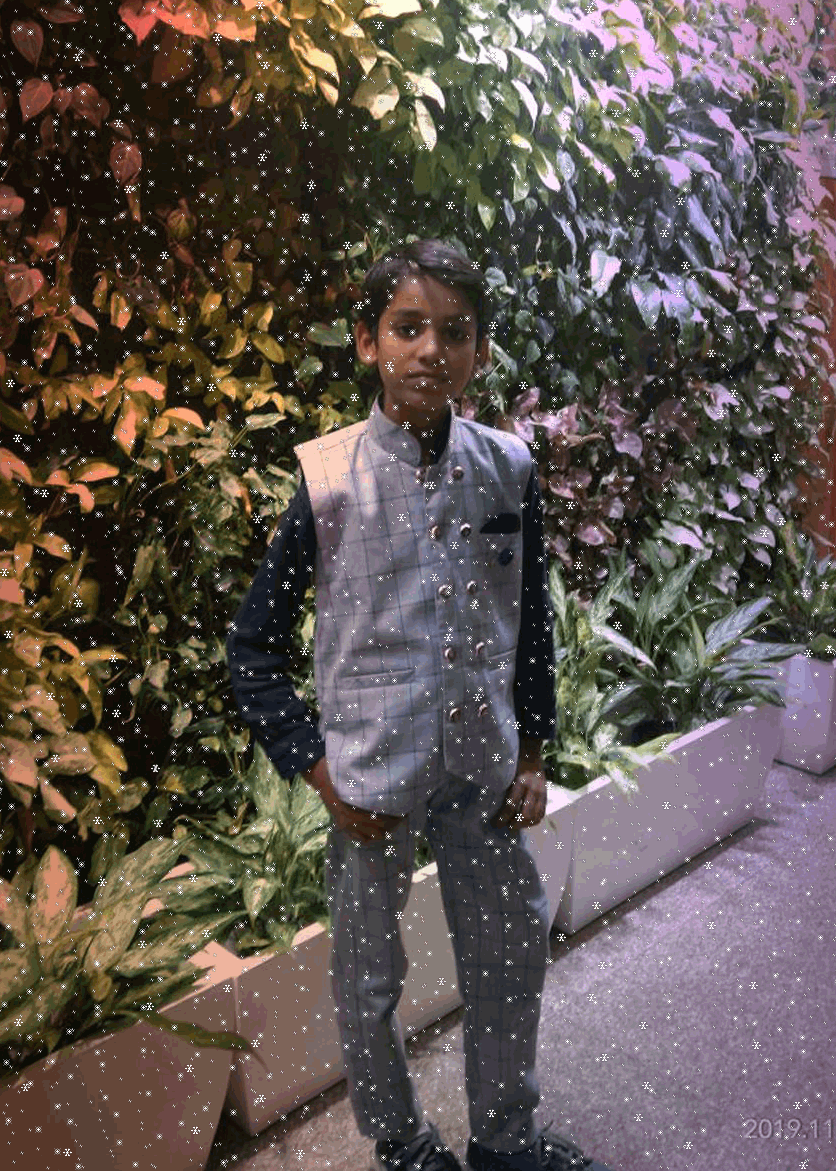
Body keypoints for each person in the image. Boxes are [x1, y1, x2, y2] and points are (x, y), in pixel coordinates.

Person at [227, 239, 615, 1171]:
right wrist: (320, 772)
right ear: (368, 342)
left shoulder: (508, 469)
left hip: (485, 769)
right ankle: (401, 1145)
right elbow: (252, 650)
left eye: (455, 331)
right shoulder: (327, 480)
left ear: (479, 350)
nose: (431, 350)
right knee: (368, 980)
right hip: (370, 784)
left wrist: (534, 754)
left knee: (510, 955)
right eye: (408, 328)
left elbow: (529, 624)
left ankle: (506, 1142)